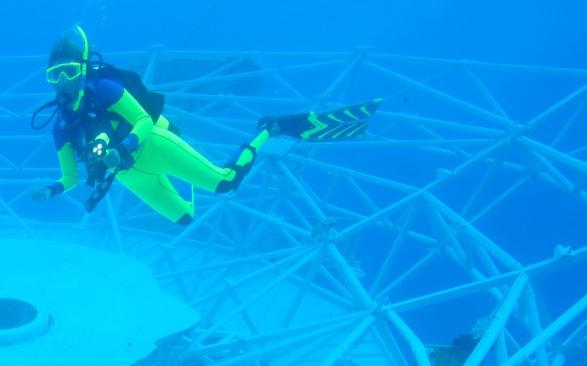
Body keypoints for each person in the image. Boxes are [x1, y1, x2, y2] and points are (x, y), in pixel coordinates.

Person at [31, 26, 379, 225]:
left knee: (225, 184)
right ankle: (187, 179)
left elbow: (140, 120)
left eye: (69, 72)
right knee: (185, 219)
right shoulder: (61, 126)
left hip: (153, 146)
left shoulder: (104, 88)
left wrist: (123, 147)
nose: (62, 82)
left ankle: (270, 129)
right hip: (128, 175)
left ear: (84, 69)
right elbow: (71, 177)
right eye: (54, 76)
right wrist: (51, 190)